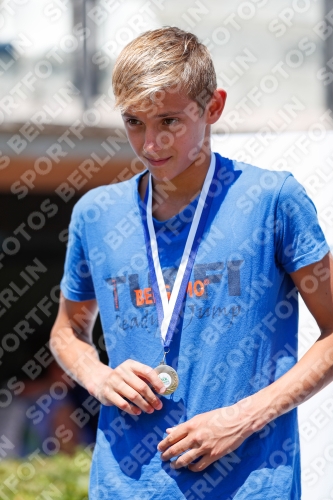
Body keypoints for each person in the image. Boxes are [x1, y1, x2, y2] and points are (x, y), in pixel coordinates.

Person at [50, 27, 333, 499]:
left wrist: (241, 419)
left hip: (250, 486)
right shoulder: (96, 215)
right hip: (124, 487)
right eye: (134, 122)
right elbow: (66, 333)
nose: (150, 143)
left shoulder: (273, 200)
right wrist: (100, 378)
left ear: (213, 107)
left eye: (170, 121)